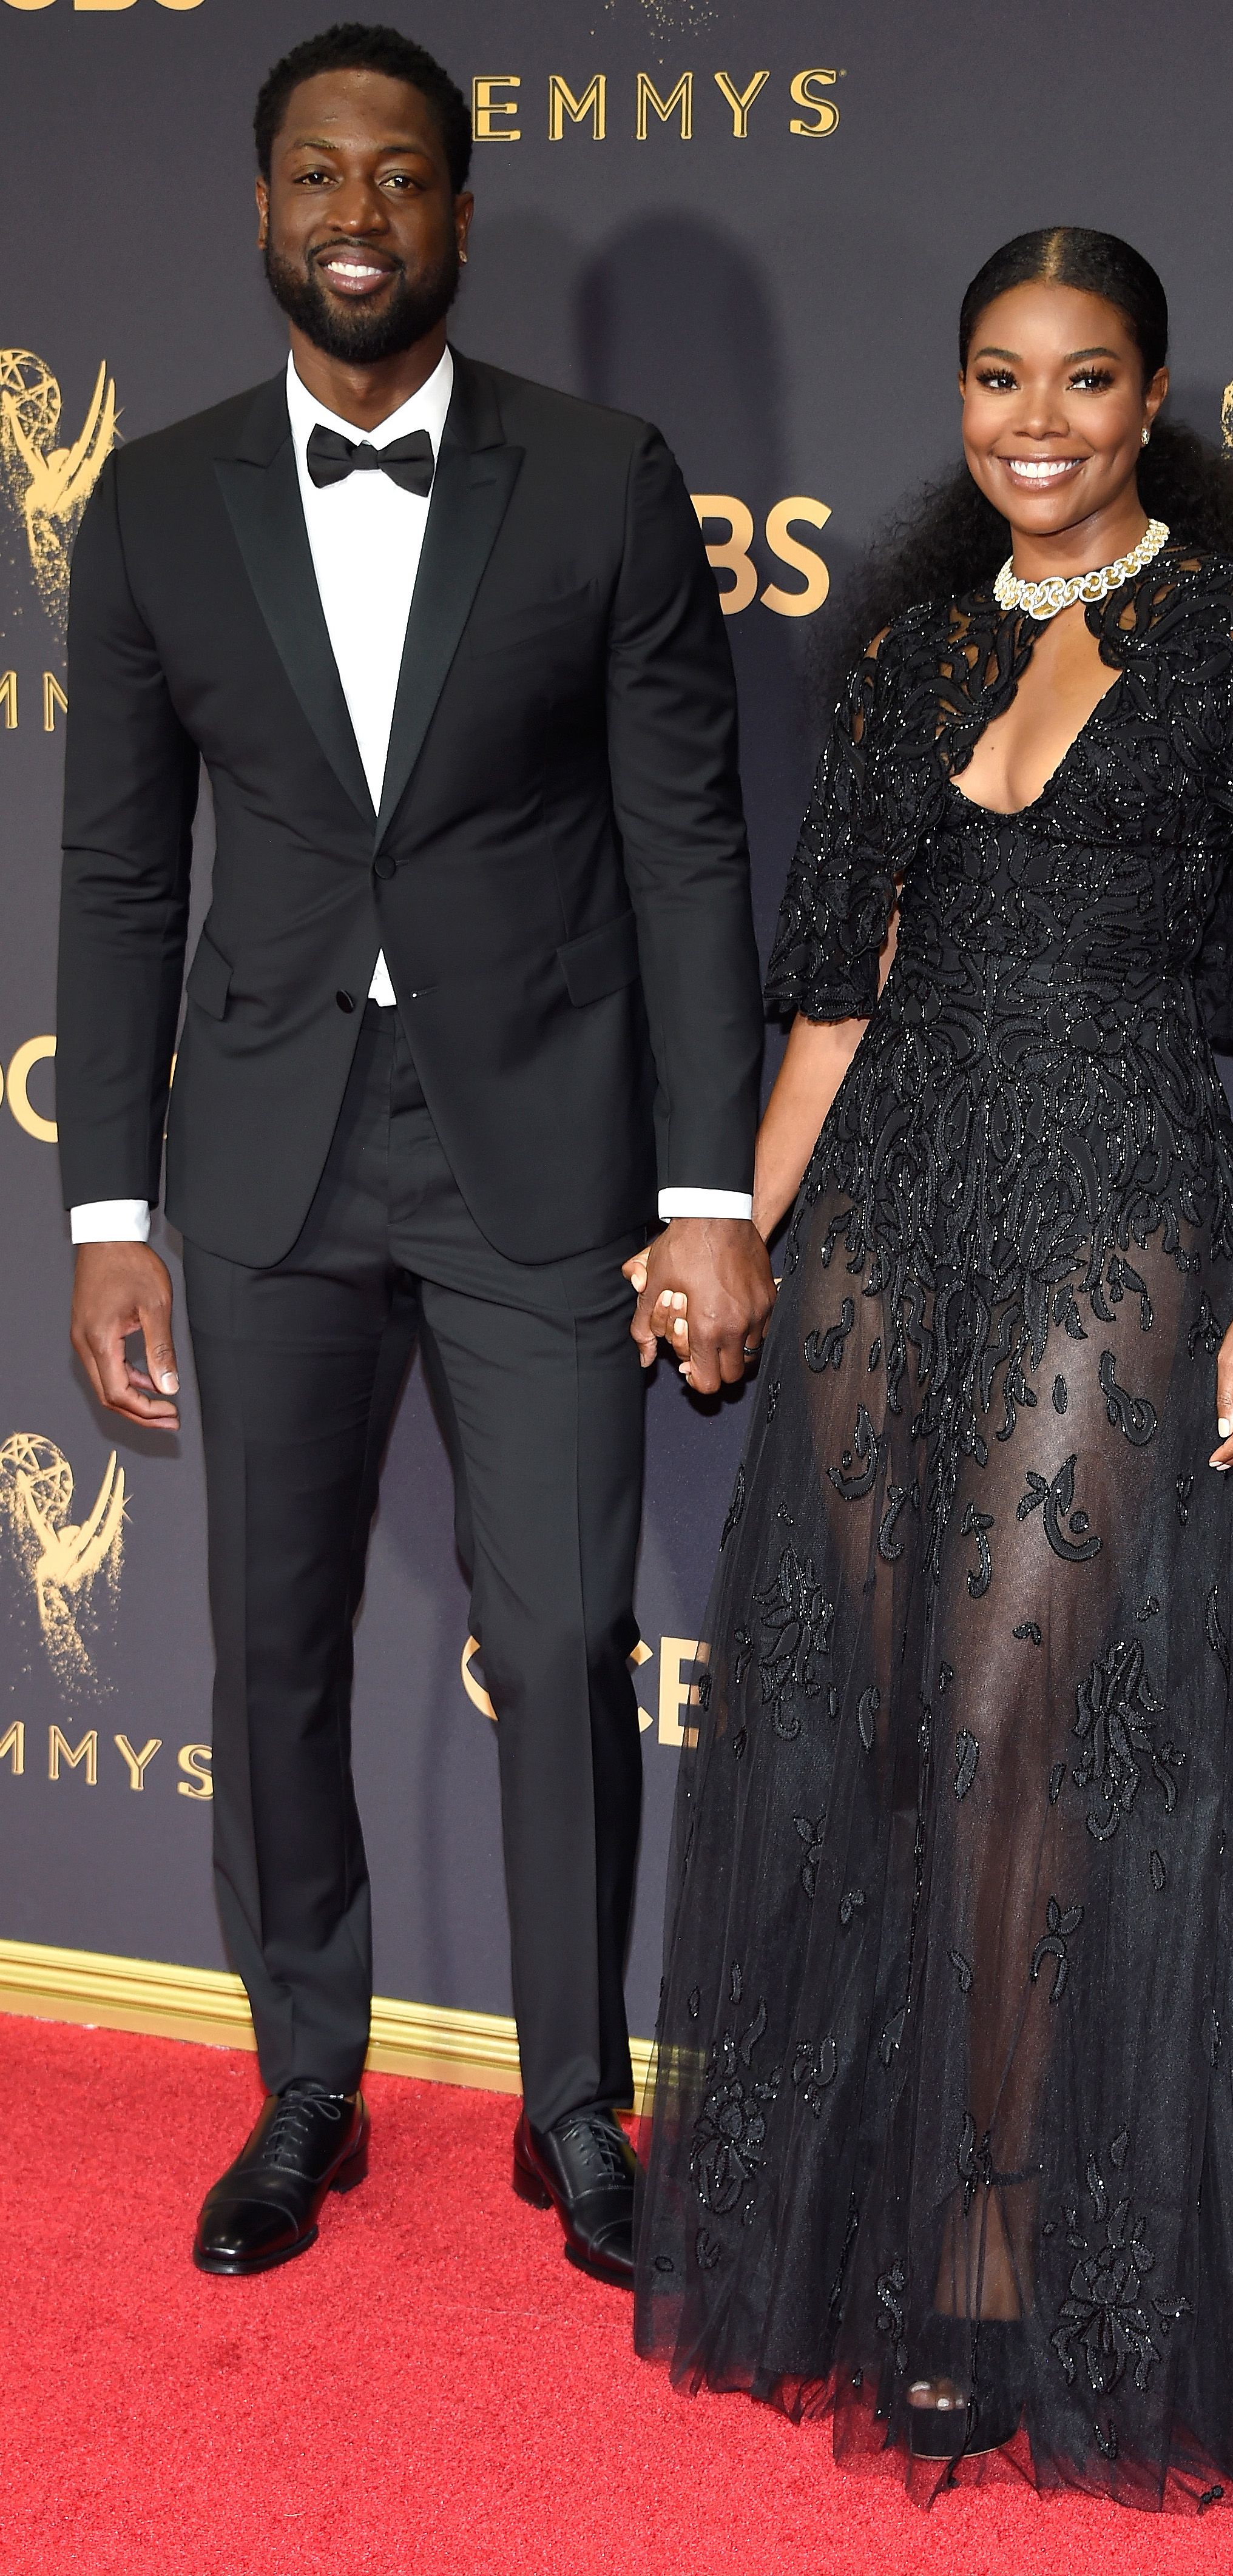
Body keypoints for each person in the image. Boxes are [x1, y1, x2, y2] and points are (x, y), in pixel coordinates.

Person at [632, 229, 1233, 2539]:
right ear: (958, 397)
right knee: (884, 1738)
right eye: (995, 377)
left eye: (1082, 378)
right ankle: (884, 2214)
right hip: (884, 1213)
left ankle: (990, 2252)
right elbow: (833, 999)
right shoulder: (909, 653)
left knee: (1011, 1737)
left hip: (1116, 1211)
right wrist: (733, 1223)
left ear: (1151, 401)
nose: (1033, 421)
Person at [56, 21, 774, 2285]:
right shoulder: (152, 500)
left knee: (560, 1633)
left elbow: (686, 849)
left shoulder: (600, 478)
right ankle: (304, 2083)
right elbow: (117, 876)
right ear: (262, 207)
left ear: (460, 212)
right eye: (314, 174)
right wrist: (105, 1211)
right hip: (265, 1157)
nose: (353, 214)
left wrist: (707, 1190)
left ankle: (575, 2108)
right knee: (265, 1642)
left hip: (538, 1151)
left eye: (396, 176)